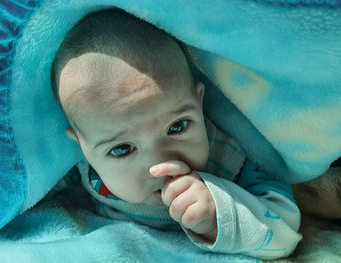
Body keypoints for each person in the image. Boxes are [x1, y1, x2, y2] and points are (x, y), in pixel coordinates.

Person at [50, 9, 302, 259]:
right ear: (82, 146)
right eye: (122, 149)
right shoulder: (77, 167)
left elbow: (285, 235)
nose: (160, 164)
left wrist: (217, 216)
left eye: (178, 127)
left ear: (199, 103)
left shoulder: (231, 158)